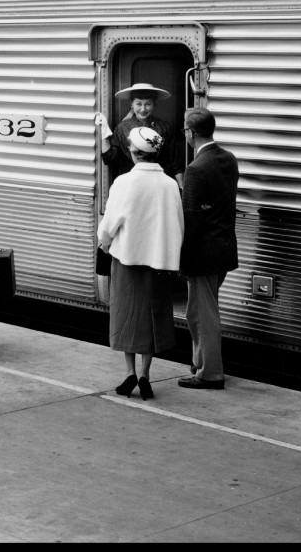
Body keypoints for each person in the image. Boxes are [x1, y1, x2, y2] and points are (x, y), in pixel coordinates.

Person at [97, 127, 184, 400]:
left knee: (127, 317)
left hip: (127, 260)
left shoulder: (124, 182)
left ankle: (129, 373)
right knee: (151, 317)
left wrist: (104, 241)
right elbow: (178, 226)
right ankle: (146, 375)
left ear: (134, 153)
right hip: (158, 264)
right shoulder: (171, 185)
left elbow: (110, 223)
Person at [178, 107, 239, 390]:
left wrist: (184, 261)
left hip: (203, 253)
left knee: (203, 315)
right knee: (201, 311)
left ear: (190, 133)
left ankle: (210, 373)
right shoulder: (229, 159)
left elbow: (192, 219)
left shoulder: (195, 169)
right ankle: (199, 360)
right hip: (224, 249)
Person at [96, 83, 183, 188]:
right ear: (131, 104)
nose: (143, 109)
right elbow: (110, 159)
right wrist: (104, 131)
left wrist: (181, 187)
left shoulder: (165, 128)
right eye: (138, 104)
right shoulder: (122, 128)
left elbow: (176, 162)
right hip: (132, 185)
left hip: (160, 184)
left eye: (148, 104)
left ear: (154, 105)